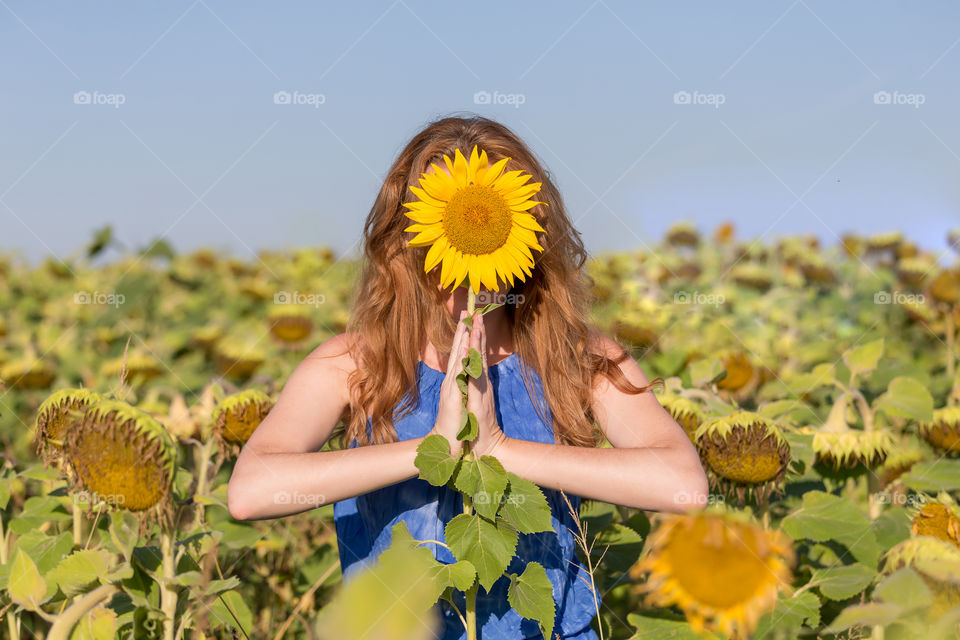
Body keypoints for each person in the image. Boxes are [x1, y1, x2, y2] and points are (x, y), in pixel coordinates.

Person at [227, 115, 709, 639]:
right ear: (405, 242)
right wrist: (434, 448)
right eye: (445, 238)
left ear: (525, 244)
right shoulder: (355, 364)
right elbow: (250, 493)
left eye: (489, 235)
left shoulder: (578, 361)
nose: (464, 269)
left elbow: (683, 485)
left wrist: (497, 448)